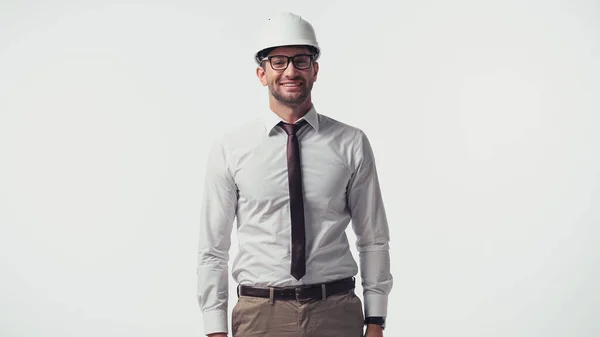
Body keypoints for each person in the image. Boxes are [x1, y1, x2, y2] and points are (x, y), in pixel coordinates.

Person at [196, 12, 393, 337]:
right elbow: (213, 249)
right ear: (261, 73)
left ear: (315, 69)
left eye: (301, 61)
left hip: (336, 312)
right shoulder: (231, 148)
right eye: (278, 62)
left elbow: (373, 238)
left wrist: (376, 320)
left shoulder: (350, 143)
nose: (290, 71)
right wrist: (214, 327)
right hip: (260, 315)